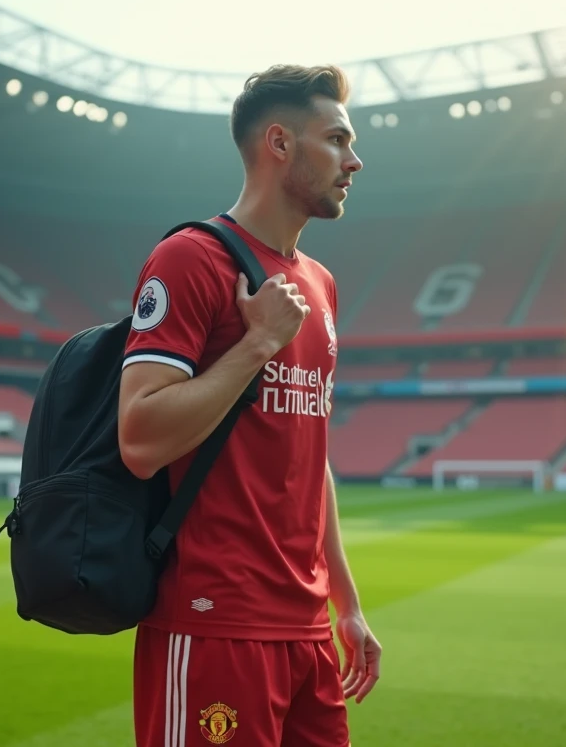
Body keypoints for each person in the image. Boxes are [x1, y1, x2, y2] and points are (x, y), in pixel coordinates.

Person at [118, 63, 380, 747]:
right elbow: (140, 437)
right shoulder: (190, 259)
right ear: (280, 144)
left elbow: (309, 456)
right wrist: (258, 340)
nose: (355, 160)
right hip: (214, 622)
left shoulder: (319, 284)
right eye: (337, 139)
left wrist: (344, 604)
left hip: (307, 633)